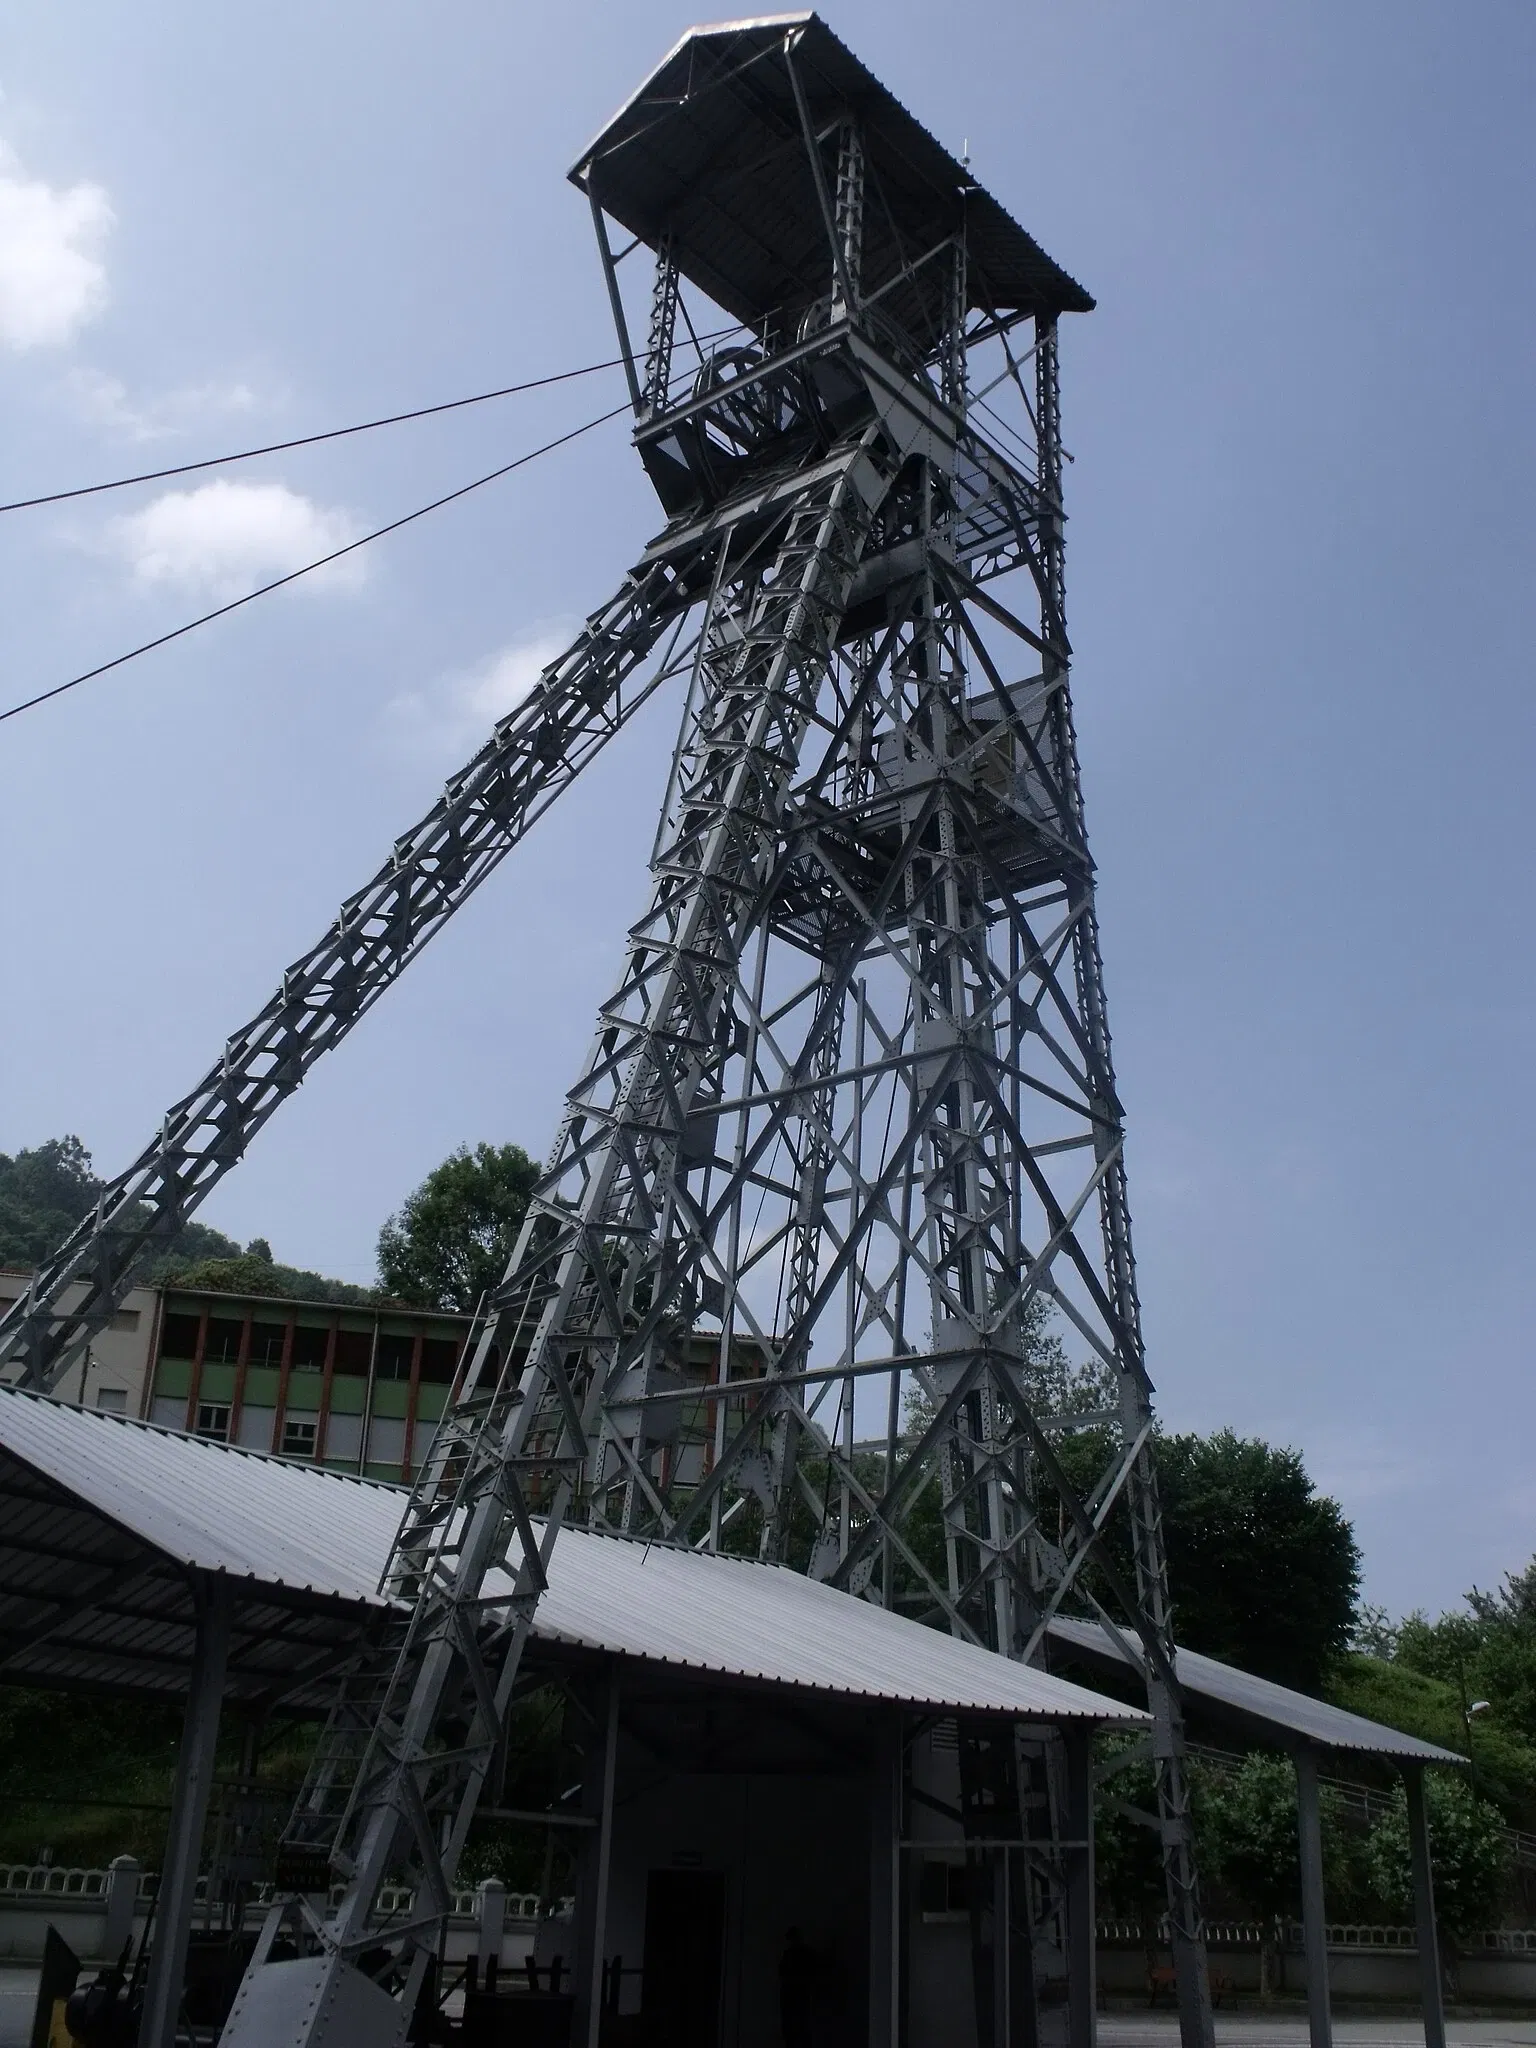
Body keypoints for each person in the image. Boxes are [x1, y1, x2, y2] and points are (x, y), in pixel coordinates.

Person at [779, 1926, 815, 2048]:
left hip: (795, 1994)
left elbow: (782, 1973)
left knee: (797, 2027)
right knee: (799, 2026)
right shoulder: (800, 1953)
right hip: (796, 1994)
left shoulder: (792, 1954)